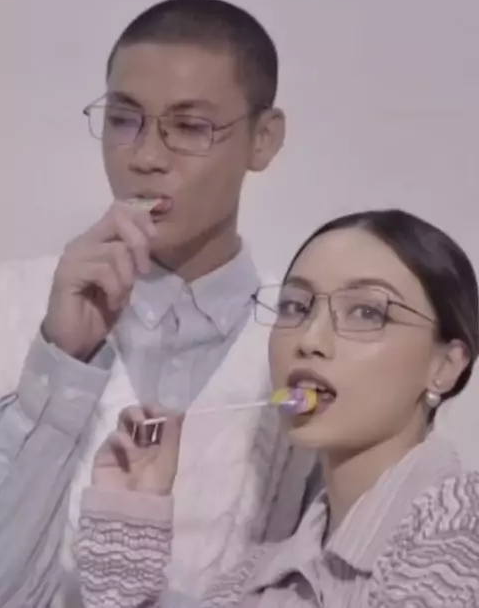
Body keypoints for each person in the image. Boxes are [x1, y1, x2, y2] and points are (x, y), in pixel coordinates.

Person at [0, 0, 314, 608]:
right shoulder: (15, 303)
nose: (144, 157)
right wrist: (60, 362)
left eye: (190, 128)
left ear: (264, 139)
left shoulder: (307, 342)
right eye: (123, 120)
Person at [74, 208, 479, 607]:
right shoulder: (254, 580)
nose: (309, 339)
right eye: (295, 307)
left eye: (367, 312)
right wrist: (130, 519)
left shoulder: (463, 532)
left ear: (446, 365)